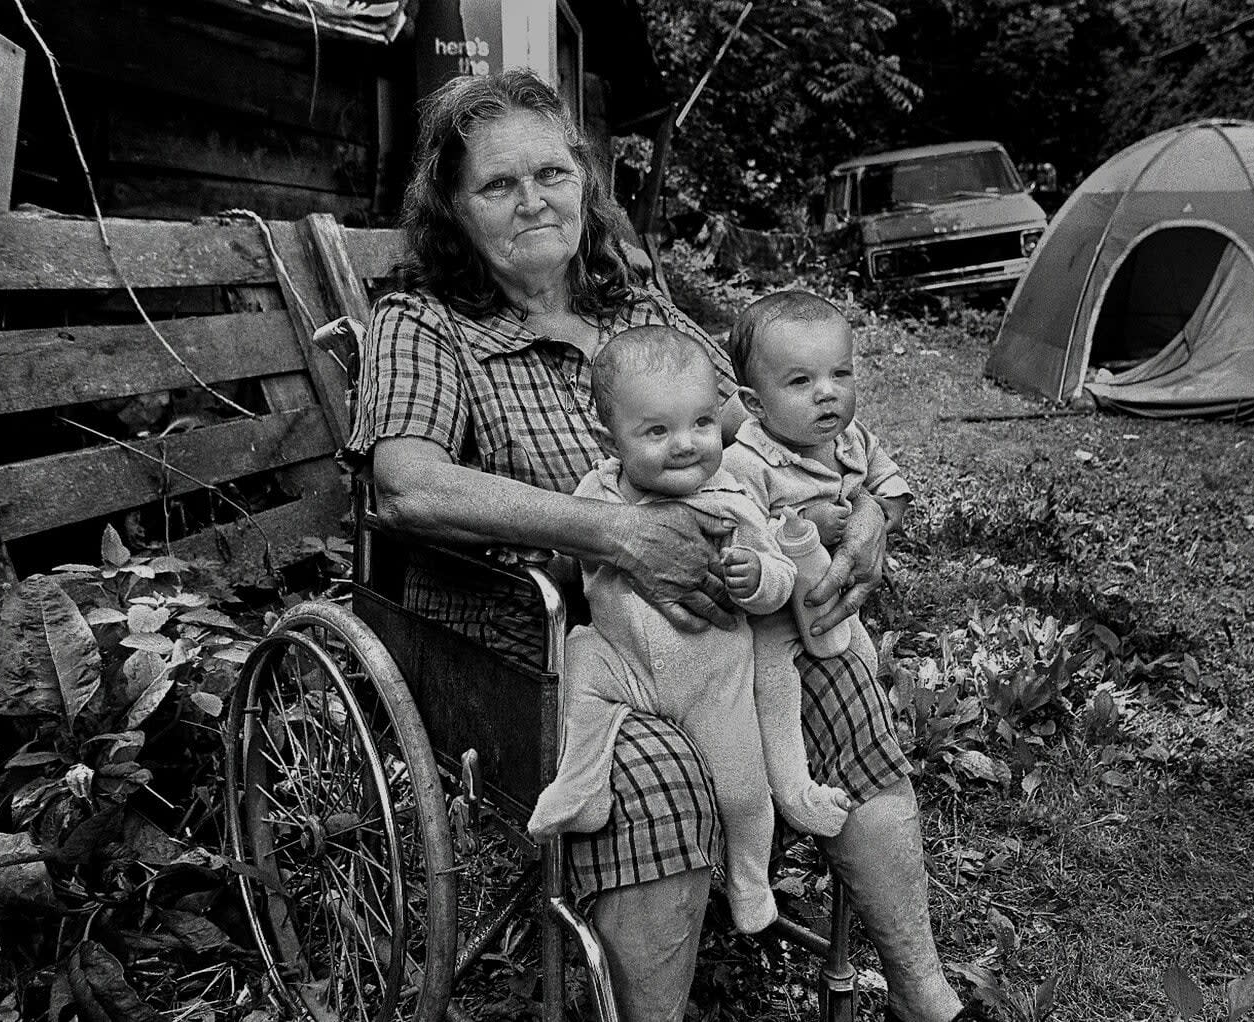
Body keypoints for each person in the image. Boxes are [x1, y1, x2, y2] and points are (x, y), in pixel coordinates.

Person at [344, 67, 979, 1022]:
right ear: (453, 207)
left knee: (840, 680)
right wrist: (621, 532)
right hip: (536, 650)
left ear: (584, 181)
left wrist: (864, 510)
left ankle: (927, 998)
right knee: (656, 773)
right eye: (497, 184)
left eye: (551, 174)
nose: (533, 202)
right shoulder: (425, 326)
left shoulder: (635, 306)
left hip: (721, 624)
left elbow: (763, 423)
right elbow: (405, 486)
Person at [529, 325, 806, 934]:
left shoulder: (729, 497)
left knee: (743, 788)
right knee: (580, 664)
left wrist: (755, 574)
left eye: (703, 423)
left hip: (711, 677)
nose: (686, 445)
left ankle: (749, 878)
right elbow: (568, 556)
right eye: (656, 431)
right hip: (621, 660)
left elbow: (782, 581)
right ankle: (582, 785)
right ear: (610, 438)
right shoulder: (596, 493)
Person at [721, 290, 914, 855]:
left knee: (862, 669)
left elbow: (893, 494)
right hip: (774, 622)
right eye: (801, 382)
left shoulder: (851, 440)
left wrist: (873, 512)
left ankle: (866, 760)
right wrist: (801, 523)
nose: (827, 392)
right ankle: (792, 787)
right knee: (774, 687)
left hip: (835, 608)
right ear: (755, 405)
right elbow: (741, 535)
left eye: (840, 373)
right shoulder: (745, 463)